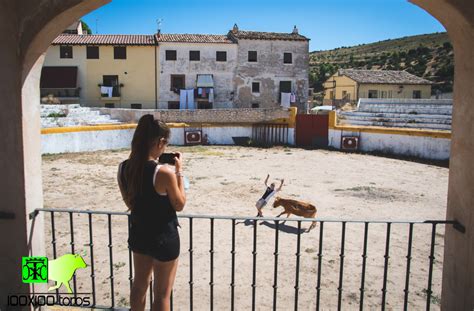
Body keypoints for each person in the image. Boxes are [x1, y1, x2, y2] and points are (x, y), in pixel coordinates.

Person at [117, 114, 186, 311]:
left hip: (139, 234)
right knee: (162, 294)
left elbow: (129, 202)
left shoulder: (123, 168)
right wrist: (179, 172)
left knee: (139, 286)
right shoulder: (164, 172)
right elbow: (179, 204)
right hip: (164, 237)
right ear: (160, 142)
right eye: (165, 143)